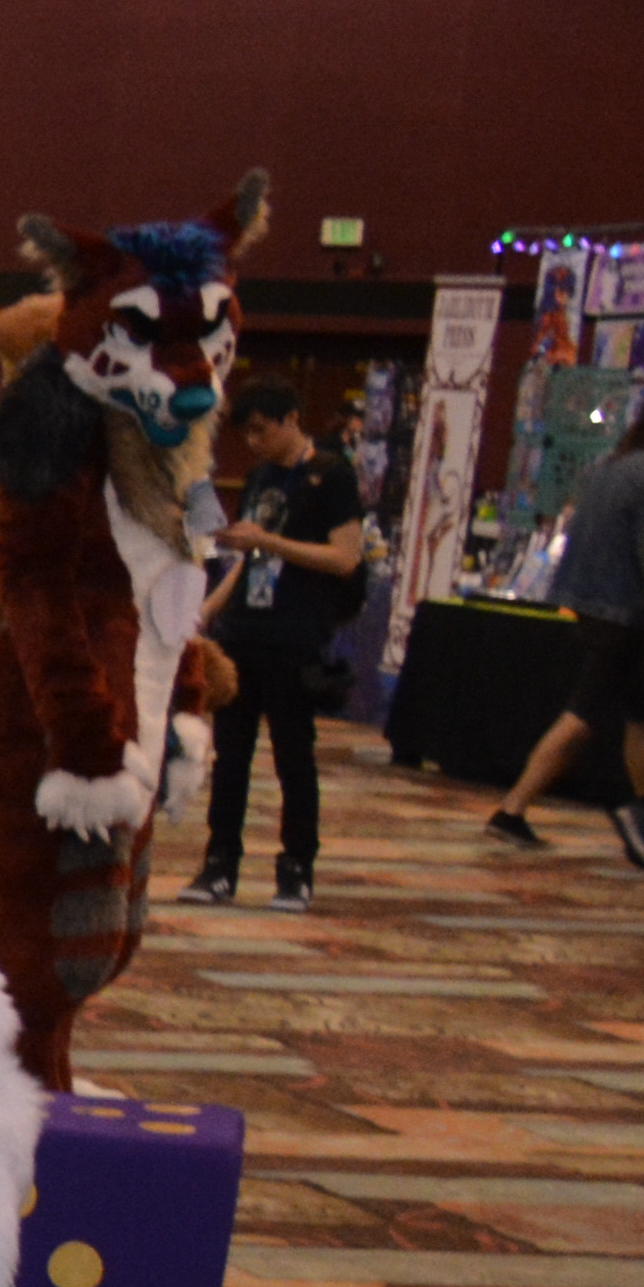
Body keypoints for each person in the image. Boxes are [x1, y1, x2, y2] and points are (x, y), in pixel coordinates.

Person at [493, 382, 644, 868]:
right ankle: (512, 808)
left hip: (594, 604)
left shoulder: (617, 463)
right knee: (582, 716)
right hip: (624, 613)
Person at [198, 379, 371, 910]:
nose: (254, 442)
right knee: (230, 755)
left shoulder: (332, 476)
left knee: (293, 756)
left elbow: (345, 558)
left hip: (294, 634)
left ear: (292, 418)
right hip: (244, 630)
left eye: (261, 430)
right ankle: (219, 863)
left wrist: (269, 541)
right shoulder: (260, 477)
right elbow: (250, 559)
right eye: (246, 434)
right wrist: (209, 609)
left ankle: (296, 867)